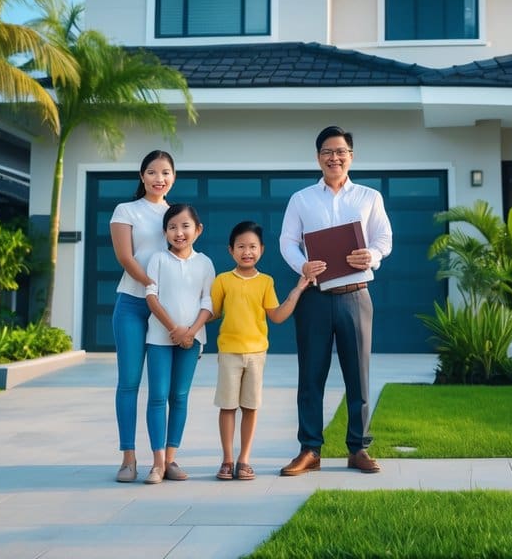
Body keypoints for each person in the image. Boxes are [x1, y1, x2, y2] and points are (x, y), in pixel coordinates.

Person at [278, 125, 393, 475]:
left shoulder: (369, 197)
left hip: (355, 297)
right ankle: (310, 450)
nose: (334, 157)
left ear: (351, 156)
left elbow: (385, 238)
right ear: (318, 157)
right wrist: (303, 265)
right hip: (314, 297)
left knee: (358, 375)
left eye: (341, 151)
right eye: (328, 152)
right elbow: (286, 241)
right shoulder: (301, 199)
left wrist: (371, 256)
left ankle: (358, 449)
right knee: (310, 375)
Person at [210, 220, 312, 481]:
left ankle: (244, 460)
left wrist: (298, 290)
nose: (247, 251)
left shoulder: (266, 282)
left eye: (252, 246)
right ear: (231, 250)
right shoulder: (222, 280)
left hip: (256, 354)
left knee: (250, 407)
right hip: (229, 353)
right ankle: (227, 460)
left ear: (262, 250)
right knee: (228, 407)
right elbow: (211, 312)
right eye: (241, 246)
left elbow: (277, 316)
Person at [109, 150, 176, 483]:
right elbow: (125, 257)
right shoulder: (126, 210)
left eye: (165, 172)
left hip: (164, 313)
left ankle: (160, 462)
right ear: (141, 176)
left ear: (173, 177)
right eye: (151, 172)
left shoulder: (176, 213)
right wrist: (153, 286)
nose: (158, 178)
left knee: (160, 390)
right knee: (129, 383)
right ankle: (128, 458)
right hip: (134, 307)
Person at [141, 203, 215, 485]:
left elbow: (207, 301)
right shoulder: (158, 260)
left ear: (198, 230)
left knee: (180, 397)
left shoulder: (205, 263)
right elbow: (151, 295)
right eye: (172, 227)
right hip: (159, 338)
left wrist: (191, 332)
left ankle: (171, 459)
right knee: (158, 396)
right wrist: (174, 328)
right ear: (165, 232)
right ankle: (158, 463)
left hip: (192, 341)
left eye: (185, 226)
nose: (179, 232)